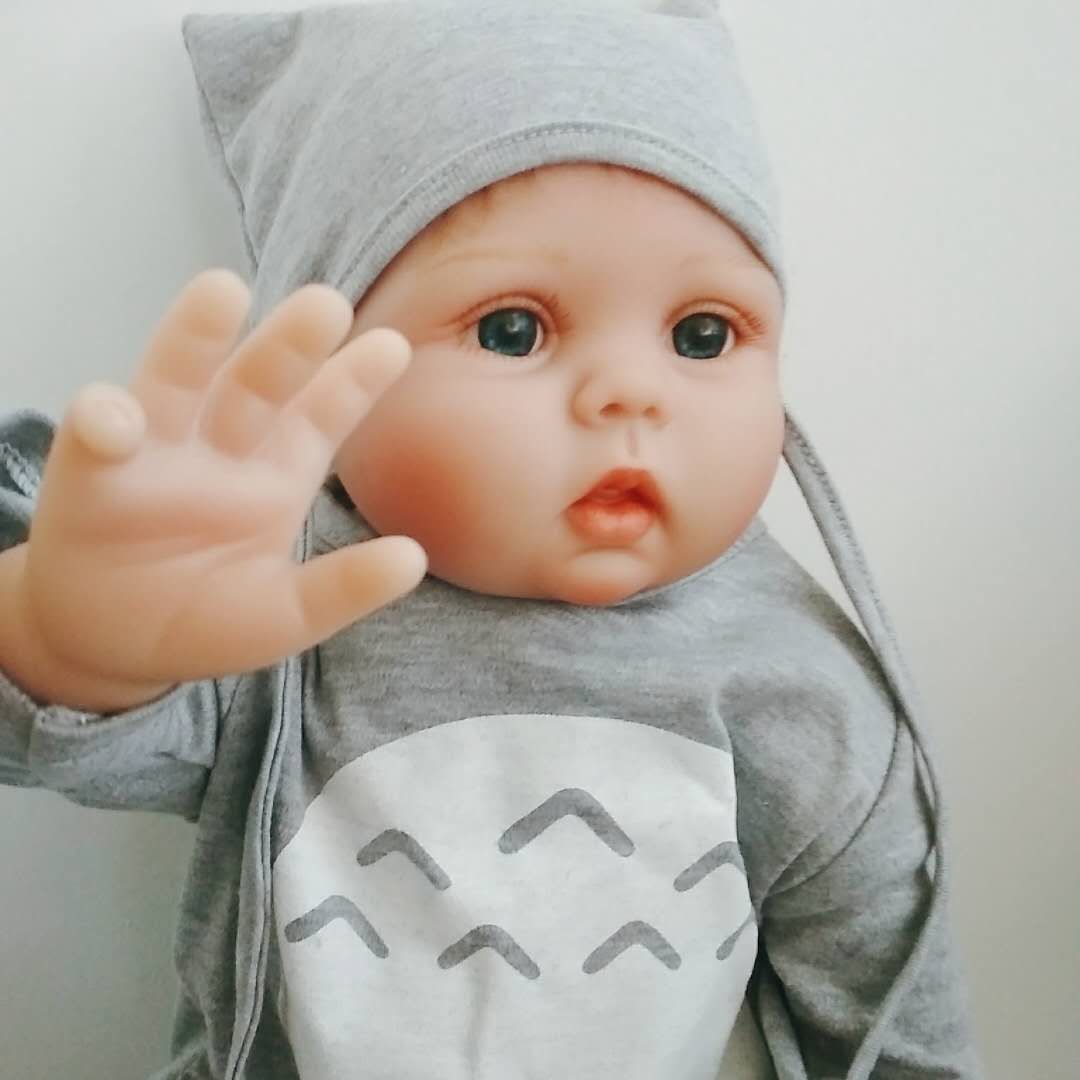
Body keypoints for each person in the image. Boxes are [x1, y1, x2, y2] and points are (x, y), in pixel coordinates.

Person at [0, 1, 984, 1077]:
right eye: (513, 329)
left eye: (702, 335)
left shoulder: (801, 688)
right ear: (327, 373)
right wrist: (76, 640)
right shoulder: (270, 612)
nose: (629, 392)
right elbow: (56, 744)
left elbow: (893, 1023)